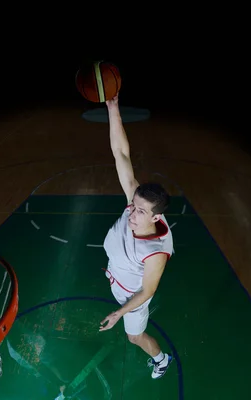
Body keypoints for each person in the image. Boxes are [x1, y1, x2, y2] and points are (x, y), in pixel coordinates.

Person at [98, 94, 174, 380]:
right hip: (118, 279)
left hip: (132, 297)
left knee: (135, 337)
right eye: (133, 205)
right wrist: (113, 108)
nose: (131, 213)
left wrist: (119, 313)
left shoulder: (156, 251)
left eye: (140, 212)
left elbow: (148, 291)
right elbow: (121, 153)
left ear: (156, 217)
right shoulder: (136, 201)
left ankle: (161, 359)